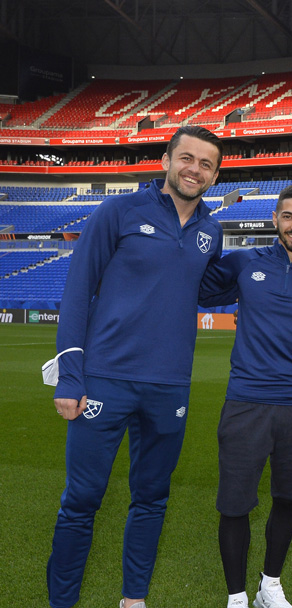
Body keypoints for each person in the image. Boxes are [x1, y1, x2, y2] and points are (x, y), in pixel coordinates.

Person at [48, 125, 224, 608]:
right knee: (81, 502)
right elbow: (77, 290)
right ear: (167, 160)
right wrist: (71, 374)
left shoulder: (212, 230)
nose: (195, 169)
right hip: (105, 380)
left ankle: (134, 599)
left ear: (216, 173)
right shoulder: (119, 211)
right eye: (186, 158)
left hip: (169, 387)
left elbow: (207, 287)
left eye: (206, 163)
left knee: (151, 500)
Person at [199, 184, 292, 608]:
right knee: (234, 503)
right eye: (289, 217)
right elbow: (191, 287)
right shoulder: (245, 263)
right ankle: (236, 597)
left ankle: (270, 584)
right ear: (275, 219)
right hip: (246, 401)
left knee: (288, 497)